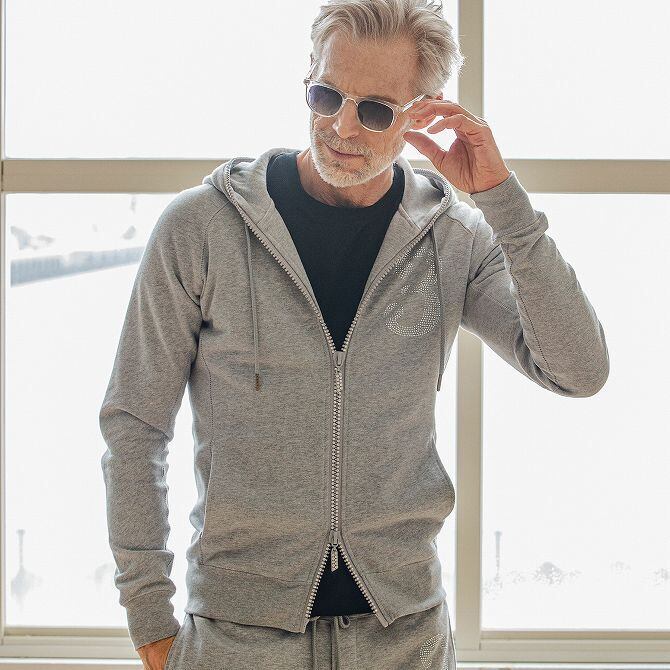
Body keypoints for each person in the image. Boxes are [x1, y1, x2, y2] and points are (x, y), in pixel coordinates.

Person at [99, 1, 610, 668]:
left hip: (404, 639)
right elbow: (135, 423)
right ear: (307, 79)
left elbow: (578, 369)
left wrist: (501, 199)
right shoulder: (201, 228)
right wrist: (150, 619)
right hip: (236, 638)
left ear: (421, 114)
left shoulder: (453, 240)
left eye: (375, 110)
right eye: (326, 95)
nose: (342, 126)